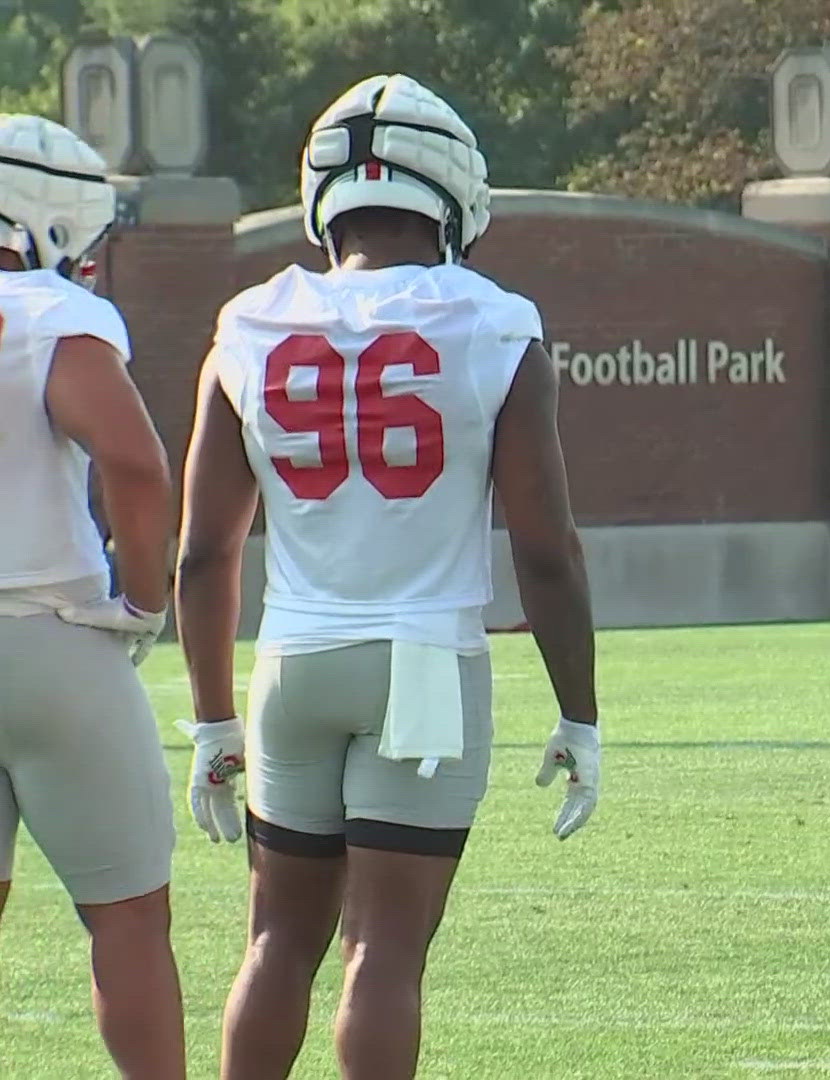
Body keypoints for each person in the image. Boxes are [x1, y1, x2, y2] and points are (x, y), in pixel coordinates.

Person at [172, 74, 601, 1080]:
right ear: (452, 196)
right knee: (385, 951)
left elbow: (203, 550)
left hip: (295, 661)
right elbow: (544, 544)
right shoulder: (494, 322)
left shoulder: (250, 321)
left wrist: (209, 722)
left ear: (325, 193)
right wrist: (579, 711)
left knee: (278, 942)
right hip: (425, 661)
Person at [0, 112, 184, 1080]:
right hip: (50, 637)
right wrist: (144, 600)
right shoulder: (49, 311)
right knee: (127, 918)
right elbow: (136, 465)